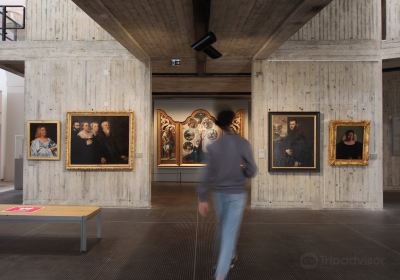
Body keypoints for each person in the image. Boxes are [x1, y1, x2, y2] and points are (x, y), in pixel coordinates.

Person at [197, 110, 257, 280]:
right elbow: (252, 170)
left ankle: (228, 257)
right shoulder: (243, 143)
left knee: (223, 227)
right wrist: (242, 170)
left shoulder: (214, 147)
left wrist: (202, 198)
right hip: (237, 194)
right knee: (229, 231)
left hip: (218, 194)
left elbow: (207, 174)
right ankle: (221, 274)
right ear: (233, 121)